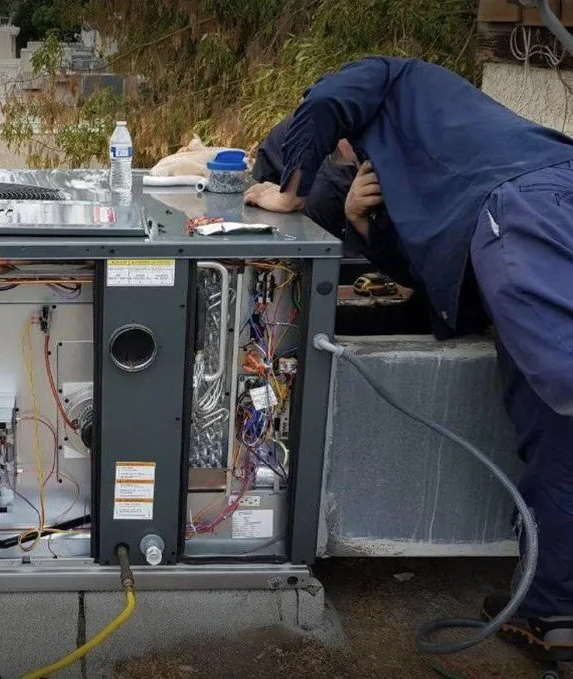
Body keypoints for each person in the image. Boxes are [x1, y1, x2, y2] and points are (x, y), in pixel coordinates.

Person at [245, 56, 573, 661]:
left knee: (563, 379)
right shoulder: (424, 162)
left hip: (537, 205)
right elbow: (439, 280)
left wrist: (287, 191)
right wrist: (362, 225)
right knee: (553, 427)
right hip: (527, 222)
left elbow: (322, 103)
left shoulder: (389, 76)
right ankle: (552, 607)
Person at [253, 117, 489, 339]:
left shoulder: (424, 164)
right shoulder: (324, 157)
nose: (347, 150)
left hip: (458, 297)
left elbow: (432, 280)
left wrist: (359, 220)